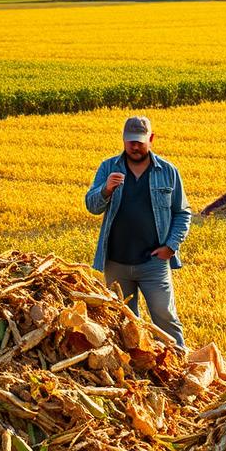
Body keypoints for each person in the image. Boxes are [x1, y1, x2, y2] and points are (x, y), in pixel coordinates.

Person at [85, 116, 191, 350]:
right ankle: (136, 372)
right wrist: (106, 189)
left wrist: (171, 246)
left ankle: (181, 365)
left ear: (151, 139)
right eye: (130, 141)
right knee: (124, 323)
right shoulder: (108, 168)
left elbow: (183, 213)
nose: (134, 146)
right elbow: (92, 206)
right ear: (123, 140)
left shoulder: (168, 172)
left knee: (165, 317)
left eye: (140, 142)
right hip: (116, 263)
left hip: (153, 263)